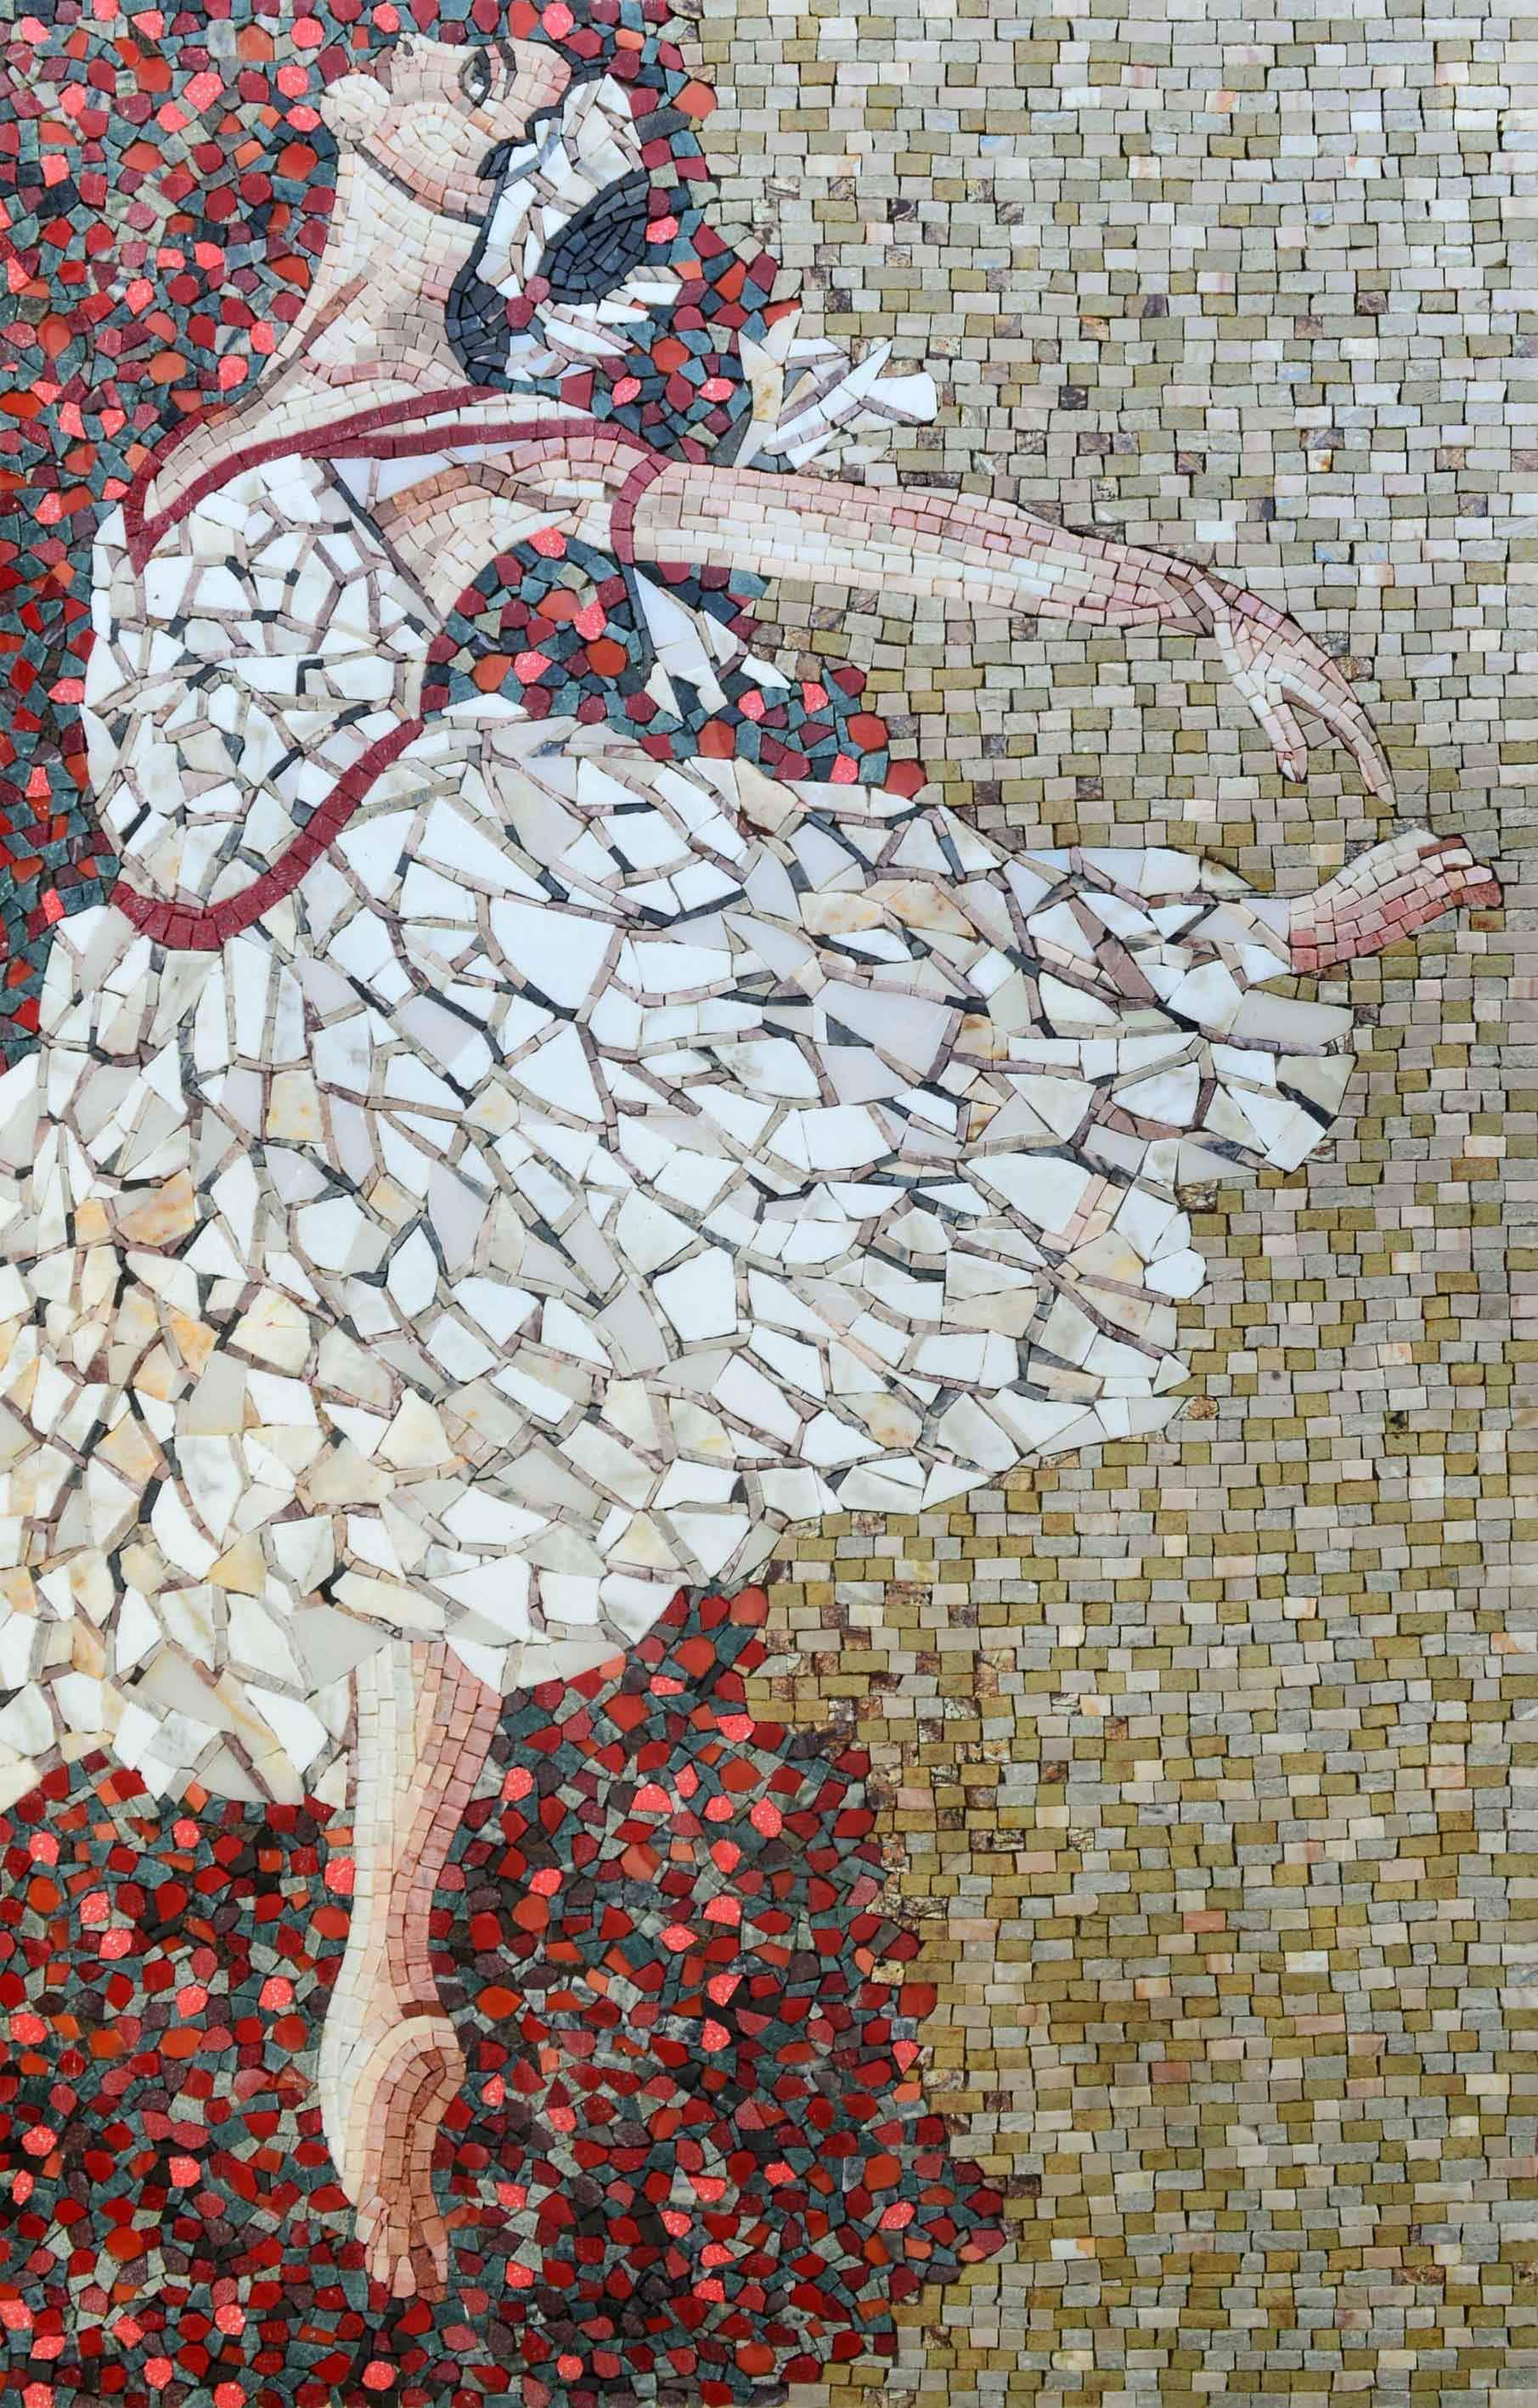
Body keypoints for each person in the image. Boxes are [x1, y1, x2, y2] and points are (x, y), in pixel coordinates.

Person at [0, 25, 1497, 2297]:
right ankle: (375, 1984)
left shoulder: (457, 439)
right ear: (344, 107)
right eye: (446, 45)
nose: (459, 66)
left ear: (495, 167)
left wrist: (1181, 599)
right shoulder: (225, 429)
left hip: (361, 939)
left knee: (806, 1018)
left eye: (496, 72)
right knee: (336, 1449)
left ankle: (1259, 951)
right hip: (198, 996)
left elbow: (831, 535)